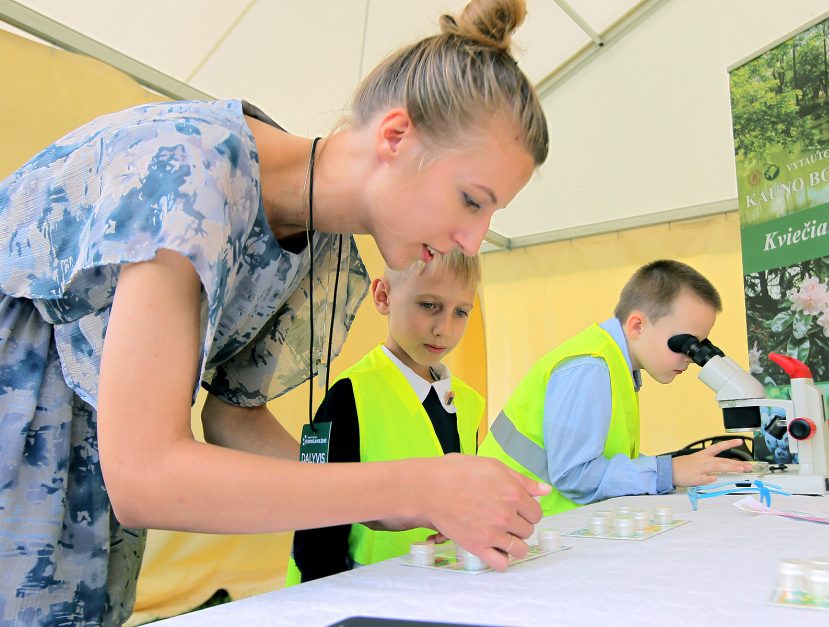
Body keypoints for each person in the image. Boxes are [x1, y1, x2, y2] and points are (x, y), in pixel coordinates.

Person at [0, 0, 549, 624]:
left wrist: (390, 502)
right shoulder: (194, 169)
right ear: (396, 137)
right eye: (471, 201)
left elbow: (235, 420)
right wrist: (414, 484)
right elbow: (146, 475)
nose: (474, 241)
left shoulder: (325, 250)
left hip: (84, 486)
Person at [478, 260, 752, 516]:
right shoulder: (590, 366)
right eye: (685, 343)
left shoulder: (614, 365)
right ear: (637, 325)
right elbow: (575, 475)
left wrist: (680, 466)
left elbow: (606, 459)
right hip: (513, 522)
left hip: (540, 523)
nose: (692, 358)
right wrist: (668, 472)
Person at [286, 250, 485, 583]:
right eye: (429, 305)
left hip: (438, 596)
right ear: (383, 296)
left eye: (461, 312)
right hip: (357, 600)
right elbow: (315, 530)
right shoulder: (348, 395)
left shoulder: (468, 402)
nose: (444, 329)